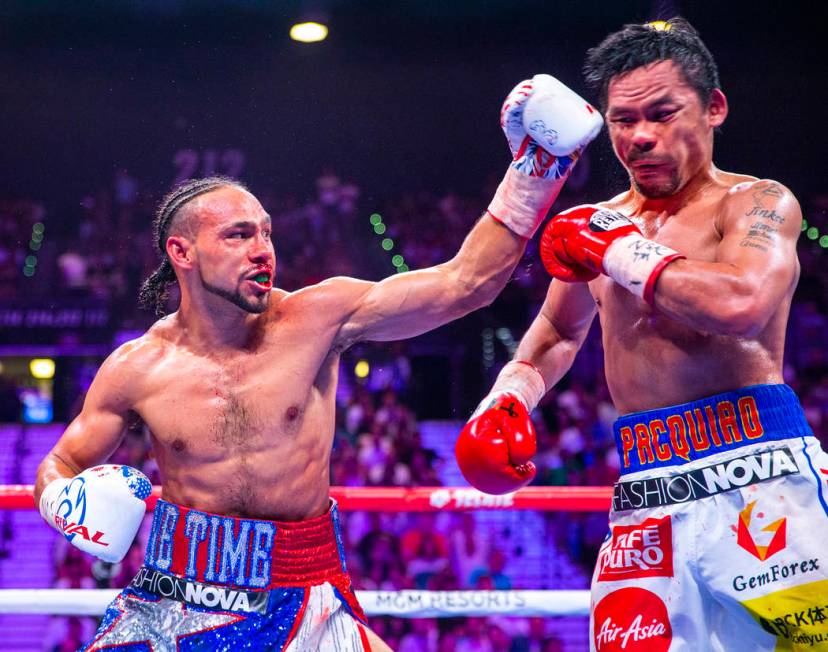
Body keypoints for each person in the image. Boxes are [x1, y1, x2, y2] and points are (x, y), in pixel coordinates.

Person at [34, 74, 603, 650]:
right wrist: (65, 502)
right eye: (237, 236)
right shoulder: (138, 366)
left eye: (266, 234)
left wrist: (535, 171)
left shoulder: (317, 318)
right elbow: (61, 461)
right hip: (178, 593)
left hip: (305, 590)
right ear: (181, 252)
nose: (263, 250)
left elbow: (466, 285)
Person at [456, 18, 828, 652]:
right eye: (623, 120)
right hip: (646, 492)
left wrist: (619, 252)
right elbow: (556, 330)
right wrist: (511, 396)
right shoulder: (598, 225)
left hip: (762, 477)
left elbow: (742, 302)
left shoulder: (758, 203)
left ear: (714, 108)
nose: (640, 137)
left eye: (661, 113)